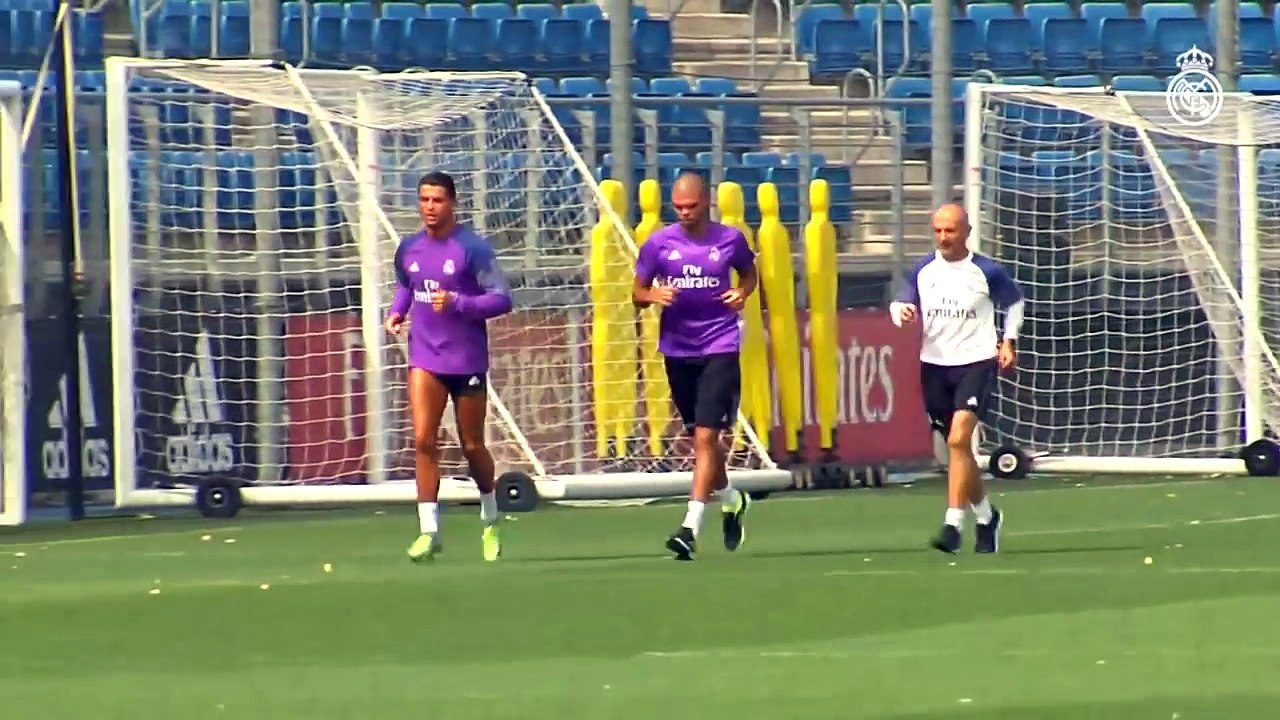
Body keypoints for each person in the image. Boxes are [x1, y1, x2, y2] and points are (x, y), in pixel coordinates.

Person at [386, 172, 514, 563]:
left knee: (471, 444)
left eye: (437, 200)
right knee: (424, 439)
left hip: (466, 360)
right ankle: (429, 531)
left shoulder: (471, 249)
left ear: (452, 203)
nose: (429, 207)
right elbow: (407, 284)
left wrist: (460, 303)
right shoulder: (408, 248)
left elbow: (502, 299)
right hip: (425, 356)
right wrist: (396, 311)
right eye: (424, 199)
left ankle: (491, 518)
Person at [633, 172, 758, 561]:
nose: (685, 213)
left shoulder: (730, 239)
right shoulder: (658, 243)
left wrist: (743, 291)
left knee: (706, 440)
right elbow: (636, 292)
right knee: (699, 441)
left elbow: (750, 273)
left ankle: (690, 528)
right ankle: (733, 499)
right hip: (677, 347)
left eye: (692, 206)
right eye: (679, 207)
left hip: (720, 344)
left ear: (707, 203)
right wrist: (653, 294)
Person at [890, 203, 1025, 555]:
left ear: (965, 231)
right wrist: (900, 312)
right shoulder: (925, 270)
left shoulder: (986, 271)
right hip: (934, 365)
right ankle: (986, 516)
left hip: (976, 362)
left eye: (950, 230)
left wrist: (1008, 340)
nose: (943, 237)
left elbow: (1014, 302)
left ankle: (953, 524)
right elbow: (902, 300)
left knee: (958, 439)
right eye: (937, 231)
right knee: (959, 449)